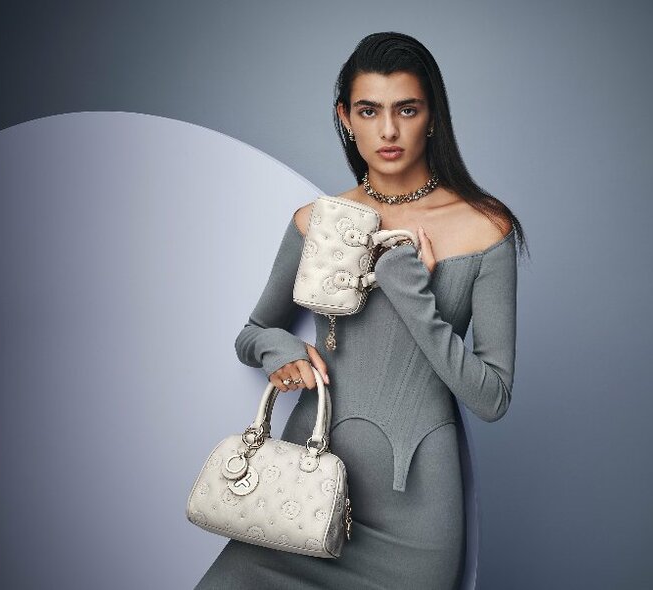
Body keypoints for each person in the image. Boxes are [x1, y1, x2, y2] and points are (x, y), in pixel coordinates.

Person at [195, 31, 528, 590]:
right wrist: (281, 349)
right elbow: (253, 332)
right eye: (369, 111)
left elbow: (491, 397)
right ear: (345, 118)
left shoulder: (484, 228)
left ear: (432, 116)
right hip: (302, 492)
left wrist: (408, 289)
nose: (389, 131)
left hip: (413, 517)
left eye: (407, 109)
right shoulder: (318, 221)